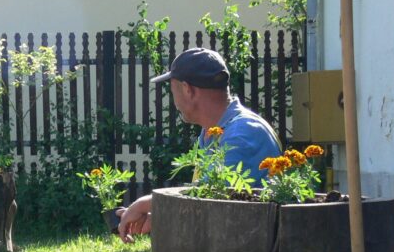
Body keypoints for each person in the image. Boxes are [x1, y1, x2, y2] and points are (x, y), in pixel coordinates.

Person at [117, 47, 281, 242]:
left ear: (188, 90)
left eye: (173, 90)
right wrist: (161, 216)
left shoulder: (243, 133)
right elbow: (209, 206)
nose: (174, 100)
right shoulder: (214, 130)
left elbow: (212, 197)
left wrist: (147, 204)